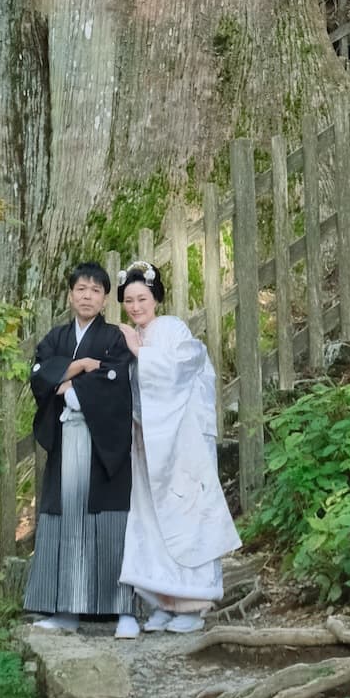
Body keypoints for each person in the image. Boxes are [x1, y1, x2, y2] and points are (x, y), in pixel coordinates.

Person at [118, 260, 241, 634]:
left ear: (156, 298)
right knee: (151, 520)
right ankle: (163, 600)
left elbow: (187, 366)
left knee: (187, 514)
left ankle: (194, 603)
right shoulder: (135, 336)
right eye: (128, 300)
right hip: (149, 442)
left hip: (181, 442)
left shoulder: (171, 329)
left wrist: (141, 353)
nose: (136, 307)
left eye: (142, 298)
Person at [24, 260, 140, 637]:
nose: (87, 296)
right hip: (66, 444)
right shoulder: (56, 337)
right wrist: (79, 366)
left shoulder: (114, 338)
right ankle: (65, 610)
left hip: (103, 444)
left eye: (95, 290)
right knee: (64, 519)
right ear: (70, 295)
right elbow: (40, 375)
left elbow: (116, 378)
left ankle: (124, 610)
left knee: (110, 523)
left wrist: (71, 387)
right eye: (81, 289)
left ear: (105, 299)